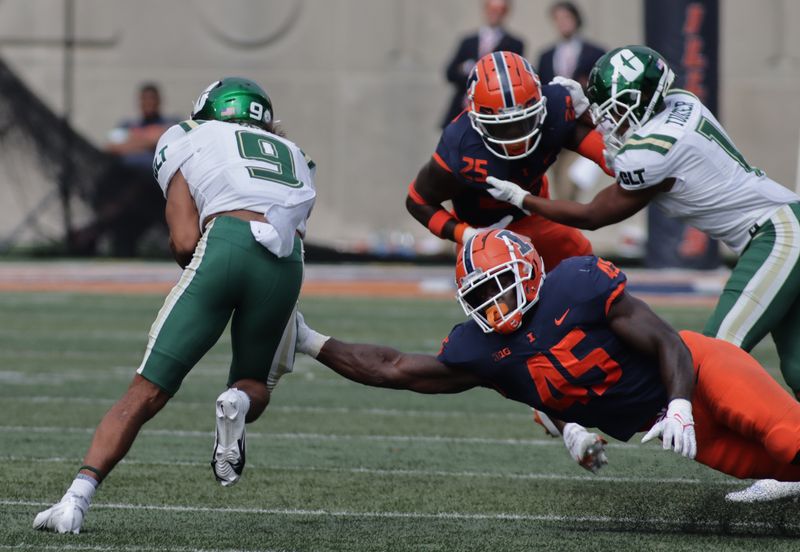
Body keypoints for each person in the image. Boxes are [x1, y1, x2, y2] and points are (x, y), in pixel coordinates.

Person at [484, 45, 800, 501]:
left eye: (615, 109)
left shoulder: (653, 153)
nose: (609, 120)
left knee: (713, 358)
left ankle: (782, 461)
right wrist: (590, 114)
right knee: (795, 365)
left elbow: (595, 213)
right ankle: (790, 459)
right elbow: (626, 146)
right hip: (783, 224)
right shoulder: (683, 103)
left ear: (639, 102)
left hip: (777, 234)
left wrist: (523, 199)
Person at [296, 229, 800, 487]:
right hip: (669, 425)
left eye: (501, 288)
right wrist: (312, 342)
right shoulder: (483, 350)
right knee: (785, 469)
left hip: (696, 375)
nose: (494, 306)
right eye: (482, 296)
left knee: (788, 440)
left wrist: (682, 405)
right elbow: (394, 368)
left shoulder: (576, 285)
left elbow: (668, 340)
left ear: (529, 272)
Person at [33, 77, 316, 534]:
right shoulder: (297, 155)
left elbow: (185, 240)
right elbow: (292, 229)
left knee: (145, 391)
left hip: (225, 242)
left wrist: (212, 272)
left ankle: (75, 501)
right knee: (253, 383)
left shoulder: (189, 135)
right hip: (286, 260)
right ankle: (235, 400)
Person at [408, 50, 613, 274]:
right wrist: (466, 235)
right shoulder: (461, 144)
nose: (515, 137)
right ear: (475, 118)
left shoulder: (556, 108)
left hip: (537, 215)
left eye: (524, 121)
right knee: (501, 299)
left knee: (590, 276)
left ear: (541, 106)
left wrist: (596, 121)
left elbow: (612, 161)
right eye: (501, 126)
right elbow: (418, 201)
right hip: (483, 232)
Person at [69, 83, 178, 257]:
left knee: (137, 186)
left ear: (159, 101)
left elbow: (165, 138)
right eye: (144, 100)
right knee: (123, 185)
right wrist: (148, 141)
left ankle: (93, 230)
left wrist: (133, 141)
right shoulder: (127, 124)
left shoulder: (170, 123)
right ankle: (97, 228)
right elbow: (112, 145)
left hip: (157, 186)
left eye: (152, 100)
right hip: (123, 180)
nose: (148, 104)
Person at [536, 2, 606, 202]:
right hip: (554, 128)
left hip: (582, 123)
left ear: (576, 19)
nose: (563, 23)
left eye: (566, 18)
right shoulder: (546, 55)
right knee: (558, 182)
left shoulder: (595, 52)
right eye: (558, 19)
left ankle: (569, 222)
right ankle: (568, 223)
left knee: (569, 185)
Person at [441, 0, 524, 129]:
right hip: (461, 110)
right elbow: (450, 73)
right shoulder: (468, 41)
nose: (494, 13)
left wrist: (470, 71)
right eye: (491, 9)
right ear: (485, 10)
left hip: (492, 113)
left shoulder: (514, 44)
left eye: (500, 9)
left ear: (506, 13)